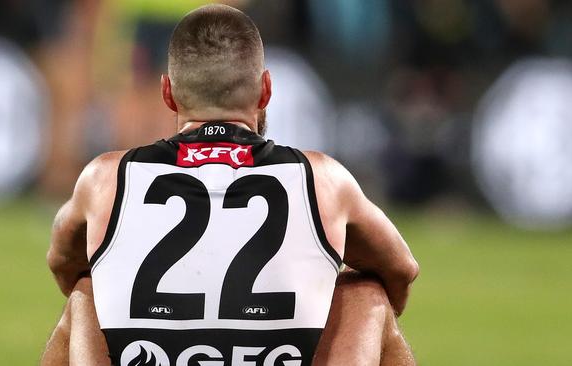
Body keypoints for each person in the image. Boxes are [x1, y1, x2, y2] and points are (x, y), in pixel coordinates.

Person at [42, 4, 419, 365]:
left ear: (168, 94)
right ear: (266, 90)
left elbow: (63, 264)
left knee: (85, 295)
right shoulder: (321, 178)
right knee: (367, 295)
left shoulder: (106, 177)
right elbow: (400, 270)